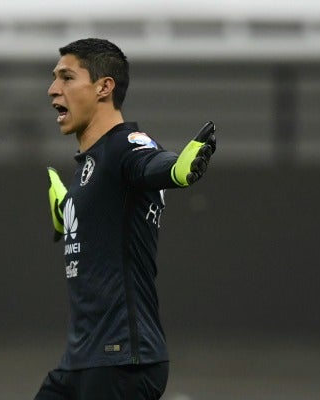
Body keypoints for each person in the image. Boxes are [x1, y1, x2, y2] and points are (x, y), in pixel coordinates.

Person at [35, 38, 216, 400]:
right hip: (81, 362)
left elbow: (151, 163)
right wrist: (66, 209)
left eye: (67, 78)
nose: (53, 88)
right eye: (54, 78)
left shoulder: (126, 145)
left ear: (104, 87)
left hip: (120, 362)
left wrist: (179, 169)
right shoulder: (94, 163)